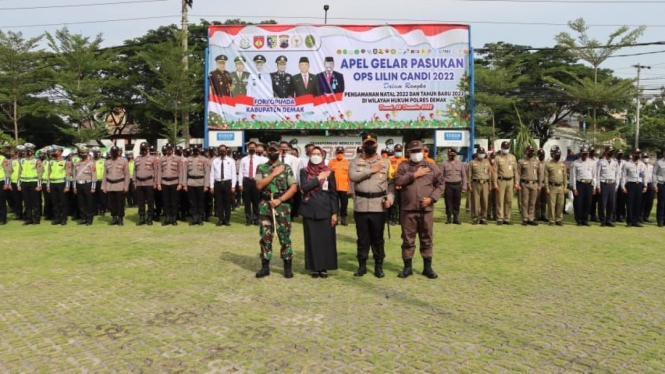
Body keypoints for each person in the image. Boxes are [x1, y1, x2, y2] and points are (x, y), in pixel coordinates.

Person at [395, 140, 445, 279]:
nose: (416, 154)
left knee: (427, 238)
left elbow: (441, 184)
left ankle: (427, 268)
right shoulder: (403, 166)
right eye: (413, 151)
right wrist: (415, 175)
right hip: (408, 209)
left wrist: (432, 198)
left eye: (419, 151)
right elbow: (398, 181)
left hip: (426, 210)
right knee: (407, 239)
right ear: (409, 152)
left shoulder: (431, 166)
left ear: (423, 151)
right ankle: (407, 268)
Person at [348, 134, 395, 278]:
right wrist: (371, 171)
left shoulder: (386, 162)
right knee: (362, 238)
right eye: (366, 143)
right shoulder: (356, 161)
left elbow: (391, 183)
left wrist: (391, 199)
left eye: (372, 143)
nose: (369, 145)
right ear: (362, 145)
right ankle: (362, 266)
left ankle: (378, 266)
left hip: (378, 206)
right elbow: (352, 176)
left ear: (376, 145)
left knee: (377, 238)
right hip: (361, 205)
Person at [254, 144, 299, 278]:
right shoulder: (261, 167)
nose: (272, 152)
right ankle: (265, 266)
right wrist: (273, 173)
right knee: (265, 236)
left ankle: (287, 266)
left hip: (282, 205)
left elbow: (293, 188)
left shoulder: (286, 168)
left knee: (284, 235)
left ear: (280, 151)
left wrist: (280, 200)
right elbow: (259, 185)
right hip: (265, 204)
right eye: (270, 150)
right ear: (266, 152)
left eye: (275, 150)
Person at [299, 146, 339, 278]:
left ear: (322, 156)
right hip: (310, 209)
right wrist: (317, 179)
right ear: (309, 156)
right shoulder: (304, 171)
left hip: (326, 210)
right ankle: (314, 267)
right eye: (313, 153)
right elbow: (304, 188)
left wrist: (334, 213)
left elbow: (333, 194)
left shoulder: (329, 172)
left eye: (318, 153)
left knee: (325, 240)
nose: (315, 156)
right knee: (312, 239)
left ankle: (324, 267)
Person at [240, 142, 267, 225]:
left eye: (253, 147)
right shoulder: (244, 159)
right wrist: (240, 184)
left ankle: (256, 219)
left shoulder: (260, 159)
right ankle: (248, 219)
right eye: (250, 147)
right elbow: (241, 172)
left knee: (256, 201)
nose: (251, 148)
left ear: (256, 148)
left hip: (256, 180)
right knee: (247, 202)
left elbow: (264, 169)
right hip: (246, 180)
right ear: (247, 148)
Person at [102, 146, 129, 226]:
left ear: (118, 152)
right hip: (110, 185)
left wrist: (126, 186)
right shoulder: (107, 162)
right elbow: (104, 175)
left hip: (120, 184)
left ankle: (120, 218)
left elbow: (127, 175)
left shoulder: (124, 161)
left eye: (115, 152)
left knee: (120, 203)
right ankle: (114, 218)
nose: (114, 153)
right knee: (111, 203)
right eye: (112, 152)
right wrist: (104, 186)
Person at [492, 141, 519, 225]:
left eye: (507, 148)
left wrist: (516, 182)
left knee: (509, 200)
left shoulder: (513, 157)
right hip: (501, 181)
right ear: (501, 148)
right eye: (504, 148)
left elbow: (516, 171)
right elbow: (495, 171)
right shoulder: (497, 158)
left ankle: (507, 218)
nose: (506, 149)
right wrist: (495, 183)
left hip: (510, 181)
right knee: (500, 200)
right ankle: (500, 218)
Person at [210, 145, 237, 226]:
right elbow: (212, 174)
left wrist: (233, 186)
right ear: (218, 151)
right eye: (220, 150)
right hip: (217, 183)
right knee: (218, 203)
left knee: (227, 203)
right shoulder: (215, 161)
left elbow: (233, 174)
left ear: (226, 150)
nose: (222, 151)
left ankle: (227, 220)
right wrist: (211, 186)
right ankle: (220, 219)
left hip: (227, 183)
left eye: (224, 150)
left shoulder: (231, 161)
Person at [570, 145, 597, 226]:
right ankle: (579, 220)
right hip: (580, 184)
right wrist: (574, 188)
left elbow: (594, 175)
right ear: (580, 154)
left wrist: (594, 187)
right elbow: (573, 176)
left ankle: (585, 219)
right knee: (578, 203)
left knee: (588, 202)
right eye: (583, 154)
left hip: (589, 184)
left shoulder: (592, 163)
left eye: (586, 154)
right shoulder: (575, 163)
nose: (585, 155)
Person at [17, 143, 43, 225]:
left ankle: (36, 219)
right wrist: (18, 184)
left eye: (29, 150)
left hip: (34, 183)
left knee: (35, 202)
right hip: (24, 183)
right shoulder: (22, 160)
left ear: (32, 151)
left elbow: (40, 173)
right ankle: (28, 219)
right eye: (26, 150)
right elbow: (19, 173)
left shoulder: (37, 160)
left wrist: (39, 185)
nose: (28, 152)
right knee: (26, 202)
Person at [620, 149, 647, 227]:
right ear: (632, 154)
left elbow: (645, 175)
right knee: (630, 203)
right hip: (630, 185)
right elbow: (623, 176)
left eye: (639, 153)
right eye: (636, 153)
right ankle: (629, 221)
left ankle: (636, 220)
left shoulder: (642, 164)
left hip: (639, 185)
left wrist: (645, 185)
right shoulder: (627, 164)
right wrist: (623, 186)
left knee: (638, 203)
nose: (637, 155)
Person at [133, 142, 159, 226]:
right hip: (139, 183)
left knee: (150, 201)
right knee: (140, 202)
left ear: (147, 149)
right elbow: (134, 171)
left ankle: (150, 217)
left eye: (145, 149)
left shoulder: (152, 158)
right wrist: (134, 181)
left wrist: (155, 182)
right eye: (142, 149)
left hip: (149, 182)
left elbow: (156, 171)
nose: (143, 151)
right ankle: (142, 217)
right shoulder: (137, 159)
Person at [184, 145, 209, 226]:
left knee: (200, 202)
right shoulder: (188, 159)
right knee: (192, 202)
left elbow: (207, 173)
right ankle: (194, 218)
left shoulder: (204, 159)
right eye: (194, 150)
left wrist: (206, 185)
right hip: (190, 182)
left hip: (200, 182)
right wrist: (185, 184)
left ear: (199, 150)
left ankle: (200, 218)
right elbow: (185, 173)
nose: (195, 151)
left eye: (197, 150)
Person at [440, 148, 467, 224]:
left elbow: (464, 176)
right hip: (448, 185)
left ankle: (456, 218)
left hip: (457, 185)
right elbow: (440, 177)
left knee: (457, 202)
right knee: (448, 202)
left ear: (455, 155)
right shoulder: (444, 164)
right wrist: (441, 188)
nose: (451, 156)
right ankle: (448, 218)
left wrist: (464, 187)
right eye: (449, 155)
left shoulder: (460, 164)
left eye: (452, 155)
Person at [596, 146, 620, 227]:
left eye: (612, 151)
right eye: (609, 151)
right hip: (604, 183)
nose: (611, 152)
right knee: (602, 203)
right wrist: (598, 186)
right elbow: (597, 175)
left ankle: (609, 220)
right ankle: (602, 220)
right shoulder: (601, 162)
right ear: (605, 151)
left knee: (611, 203)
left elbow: (617, 174)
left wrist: (616, 185)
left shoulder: (615, 162)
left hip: (612, 184)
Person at [72, 146, 97, 226]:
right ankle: (83, 218)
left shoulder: (91, 163)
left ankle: (89, 219)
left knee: (89, 202)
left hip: (88, 184)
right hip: (79, 184)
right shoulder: (77, 164)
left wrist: (93, 187)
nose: (83, 154)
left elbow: (94, 175)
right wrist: (74, 187)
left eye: (85, 153)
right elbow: (74, 176)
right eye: (81, 153)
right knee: (81, 203)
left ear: (87, 153)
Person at [544, 146, 568, 226]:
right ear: (552, 155)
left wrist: (565, 187)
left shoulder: (562, 165)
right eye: (556, 154)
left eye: (558, 154)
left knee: (560, 204)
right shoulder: (548, 165)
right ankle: (551, 220)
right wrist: (547, 188)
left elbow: (565, 177)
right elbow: (546, 177)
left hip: (561, 187)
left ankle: (558, 219)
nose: (558, 155)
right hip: (552, 186)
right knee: (551, 204)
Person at [518, 145, 541, 226]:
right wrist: (518, 184)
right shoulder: (521, 161)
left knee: (532, 202)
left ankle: (531, 218)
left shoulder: (536, 162)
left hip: (534, 184)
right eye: (529, 151)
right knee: (525, 202)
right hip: (525, 184)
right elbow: (518, 174)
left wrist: (539, 184)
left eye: (532, 151)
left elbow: (540, 174)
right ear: (526, 151)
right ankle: (525, 218)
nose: (530, 152)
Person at [467, 147, 492, 225]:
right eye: (480, 153)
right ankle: (475, 218)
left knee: (484, 201)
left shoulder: (487, 162)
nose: (481, 154)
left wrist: (490, 185)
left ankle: (483, 218)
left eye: (483, 153)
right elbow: (469, 175)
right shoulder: (472, 163)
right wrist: (469, 185)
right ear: (477, 153)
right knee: (475, 202)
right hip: (475, 183)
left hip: (485, 183)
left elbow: (489, 174)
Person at [46, 146, 69, 225]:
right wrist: (48, 186)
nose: (54, 152)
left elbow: (67, 175)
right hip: (53, 184)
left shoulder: (65, 162)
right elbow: (48, 174)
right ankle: (57, 218)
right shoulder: (51, 162)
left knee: (63, 202)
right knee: (55, 202)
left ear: (60, 152)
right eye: (53, 151)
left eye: (55, 151)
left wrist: (67, 186)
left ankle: (64, 218)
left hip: (62, 183)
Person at [328, 146, 351, 226]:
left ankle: (344, 219)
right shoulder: (331, 162)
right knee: (334, 204)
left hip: (344, 187)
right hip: (333, 187)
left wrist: (350, 188)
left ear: (344, 153)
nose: (340, 154)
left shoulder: (347, 163)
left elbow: (350, 176)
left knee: (344, 204)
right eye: (338, 153)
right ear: (335, 153)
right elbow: (328, 174)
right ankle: (335, 219)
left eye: (341, 153)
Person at [388, 144, 407, 226]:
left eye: (399, 151)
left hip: (403, 185)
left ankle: (401, 220)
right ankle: (394, 219)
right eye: (397, 151)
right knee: (394, 203)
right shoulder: (390, 160)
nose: (398, 152)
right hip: (394, 184)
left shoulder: (406, 160)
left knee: (402, 203)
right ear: (394, 151)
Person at [641, 152, 655, 223]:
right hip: (642, 184)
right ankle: (641, 216)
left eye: (646, 157)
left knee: (650, 201)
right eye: (644, 157)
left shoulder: (652, 167)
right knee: (642, 201)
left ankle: (646, 216)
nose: (645, 158)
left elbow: (654, 175)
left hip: (651, 184)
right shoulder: (640, 165)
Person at [92, 147, 107, 216]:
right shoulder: (91, 161)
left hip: (101, 180)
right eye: (95, 152)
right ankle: (95, 210)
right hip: (93, 181)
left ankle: (102, 209)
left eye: (98, 152)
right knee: (94, 197)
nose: (97, 154)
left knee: (102, 196)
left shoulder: (104, 161)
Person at [535, 149, 548, 221]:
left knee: (544, 200)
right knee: (537, 200)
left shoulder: (546, 163)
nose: (541, 156)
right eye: (540, 155)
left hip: (544, 183)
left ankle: (543, 214)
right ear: (538, 155)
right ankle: (537, 214)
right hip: (537, 183)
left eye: (543, 155)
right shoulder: (536, 163)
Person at [653, 149, 665, 227]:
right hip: (661, 184)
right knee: (661, 203)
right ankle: (660, 220)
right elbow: (654, 173)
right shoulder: (659, 162)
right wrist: (655, 185)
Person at [0, 148, 12, 225]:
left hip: (1, 181)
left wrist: (6, 183)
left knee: (1, 202)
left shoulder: (2, 158)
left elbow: (7, 171)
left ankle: (2, 219)